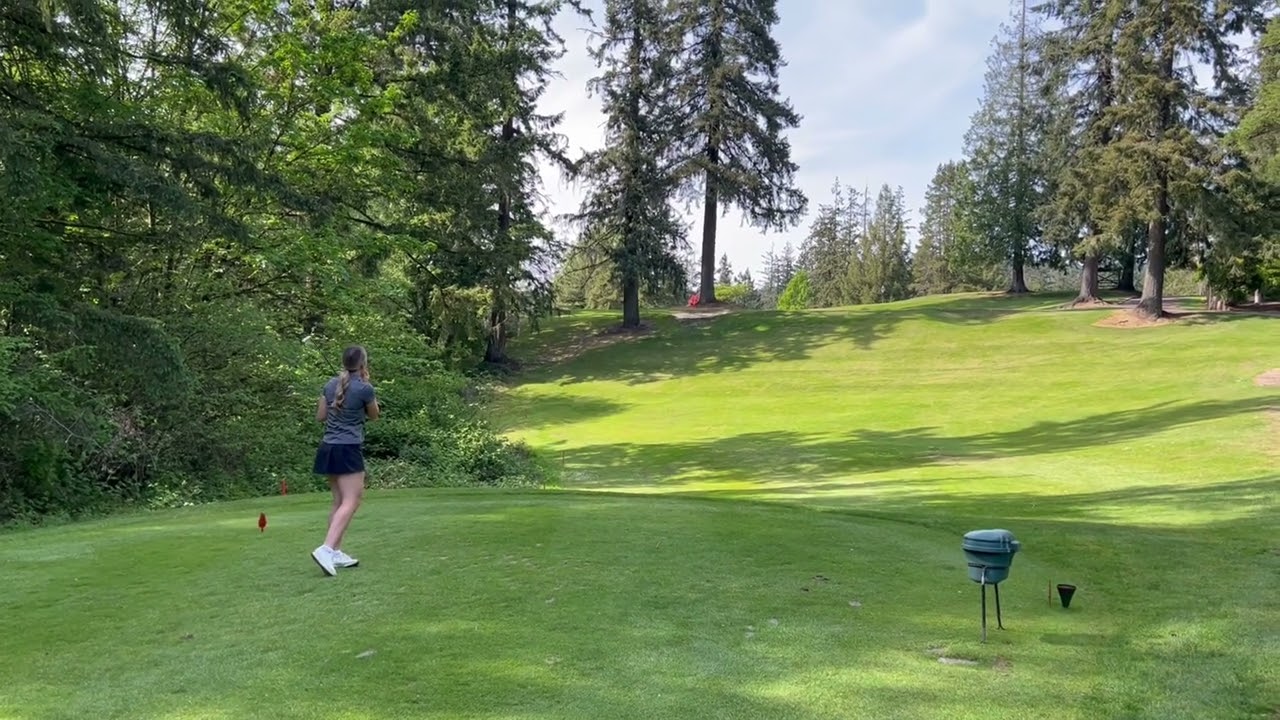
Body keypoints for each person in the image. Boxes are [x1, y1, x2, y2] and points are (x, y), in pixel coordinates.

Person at [311, 345, 380, 576]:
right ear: (363, 364)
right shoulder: (365, 388)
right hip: (348, 448)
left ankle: (335, 552)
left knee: (339, 501)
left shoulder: (330, 385)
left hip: (328, 447)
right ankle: (326, 548)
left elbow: (320, 416)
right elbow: (374, 415)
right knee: (352, 500)